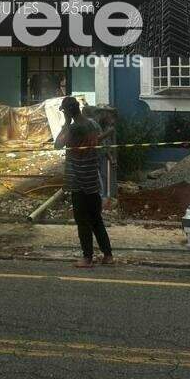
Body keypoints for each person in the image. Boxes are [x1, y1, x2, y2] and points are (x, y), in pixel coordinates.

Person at [54, 96, 113, 268]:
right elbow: (99, 143)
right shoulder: (93, 124)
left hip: (78, 182)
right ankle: (108, 255)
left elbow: (58, 144)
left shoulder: (73, 129)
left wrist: (66, 123)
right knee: (96, 219)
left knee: (82, 222)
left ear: (67, 111)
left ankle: (87, 258)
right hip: (92, 180)